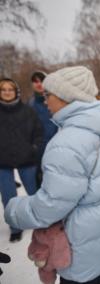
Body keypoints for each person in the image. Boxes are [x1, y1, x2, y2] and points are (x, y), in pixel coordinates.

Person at [5, 66, 100, 283]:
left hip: (78, 245)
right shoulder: (99, 130)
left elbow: (51, 206)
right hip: (99, 236)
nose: (45, 101)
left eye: (48, 95)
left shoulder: (67, 143)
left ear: (66, 97)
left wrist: (14, 210)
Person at [0, 78, 42, 242]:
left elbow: (39, 132)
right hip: (2, 162)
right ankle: (15, 227)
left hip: (27, 160)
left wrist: (34, 148)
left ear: (16, 91)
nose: (7, 92)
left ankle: (40, 221)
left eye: (10, 89)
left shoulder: (28, 111)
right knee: (8, 197)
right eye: (3, 89)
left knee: (35, 193)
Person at [28, 71, 58, 188]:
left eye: (41, 80)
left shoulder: (58, 101)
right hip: (38, 153)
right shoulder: (29, 105)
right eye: (35, 81)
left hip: (57, 149)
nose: (39, 84)